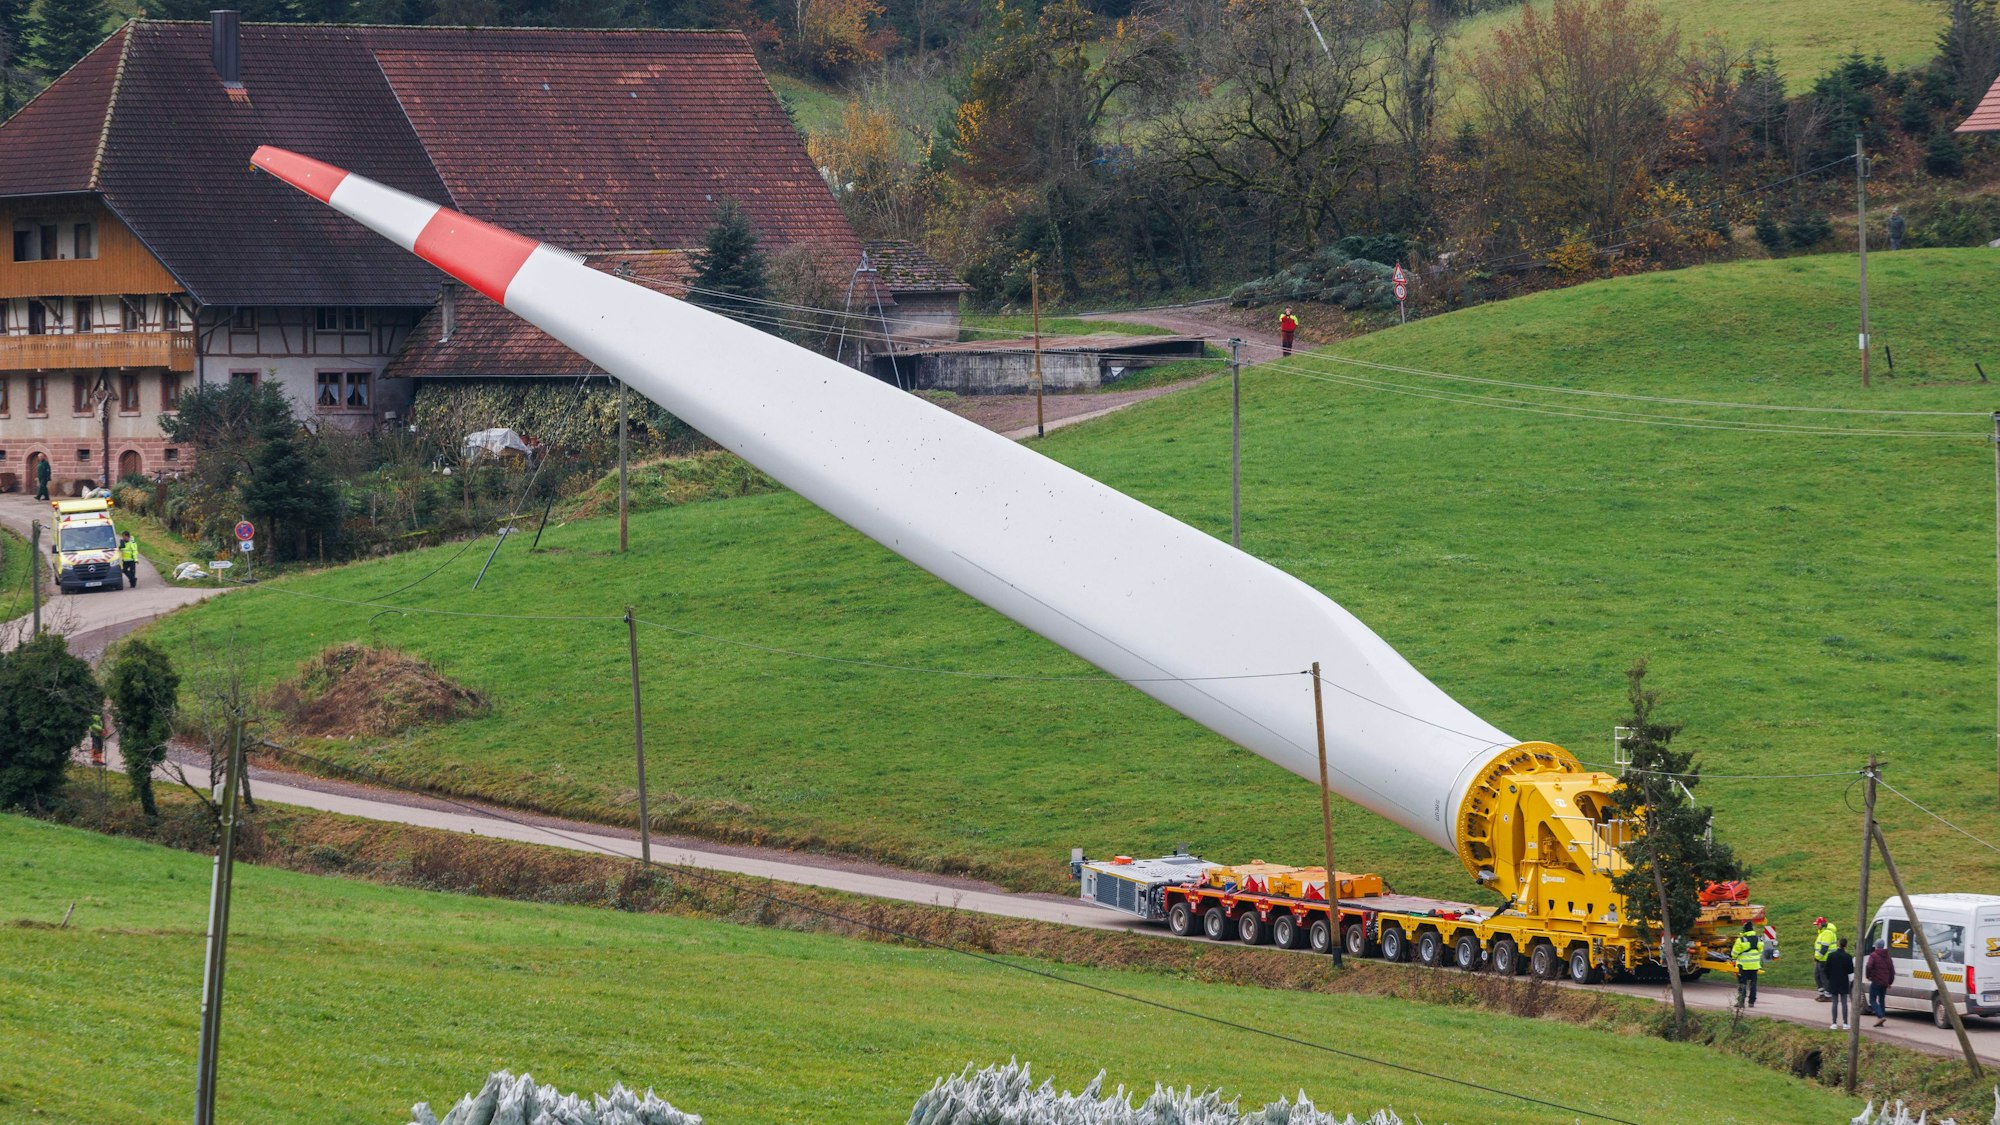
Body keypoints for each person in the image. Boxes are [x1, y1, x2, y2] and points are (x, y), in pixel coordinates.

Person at [1825, 937, 1855, 1030]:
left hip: (1833, 981)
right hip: (1843, 981)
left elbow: (1826, 970)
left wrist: (1830, 977)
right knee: (1844, 1003)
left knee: (1834, 1002)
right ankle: (1845, 1023)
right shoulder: (1848, 957)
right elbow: (1850, 971)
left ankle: (1834, 1023)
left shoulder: (1831, 955)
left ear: (1838, 944)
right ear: (1845, 945)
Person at [1732, 921, 1764, 1008]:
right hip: (1754, 966)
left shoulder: (1741, 940)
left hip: (1743, 966)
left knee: (1742, 984)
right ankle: (1751, 1002)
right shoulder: (1758, 939)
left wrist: (1734, 958)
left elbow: (1734, 953)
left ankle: (1741, 1002)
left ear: (1744, 930)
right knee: (1753, 984)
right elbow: (1761, 951)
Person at [1866, 938, 1896, 1026]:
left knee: (1872, 1000)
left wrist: (1868, 976)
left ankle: (1880, 1016)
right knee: (1882, 1000)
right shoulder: (1888, 957)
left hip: (1876, 980)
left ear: (1876, 946)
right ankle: (1881, 1021)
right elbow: (1892, 971)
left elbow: (1868, 966)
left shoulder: (1873, 955)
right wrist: (1889, 982)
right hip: (1884, 982)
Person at [1814, 916, 1838, 999]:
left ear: (1822, 924)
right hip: (1821, 959)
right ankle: (1822, 994)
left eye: (1818, 924)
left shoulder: (1827, 933)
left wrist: (1817, 957)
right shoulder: (1822, 932)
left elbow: (1824, 948)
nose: (1817, 926)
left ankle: (1828, 996)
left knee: (1824, 978)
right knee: (1817, 976)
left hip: (1825, 959)